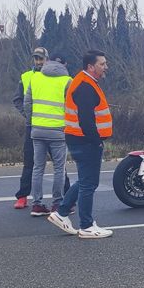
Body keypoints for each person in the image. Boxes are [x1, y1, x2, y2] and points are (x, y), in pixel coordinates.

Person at [48, 50, 113, 239]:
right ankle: (86, 226)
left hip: (79, 138)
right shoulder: (85, 85)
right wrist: (96, 141)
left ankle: (61, 214)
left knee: (85, 180)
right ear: (91, 67)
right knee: (89, 184)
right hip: (85, 140)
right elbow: (86, 120)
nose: (105, 67)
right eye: (102, 64)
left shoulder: (85, 82)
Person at [24, 53, 72, 217]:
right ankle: (57, 204)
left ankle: (36, 205)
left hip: (37, 130)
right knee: (59, 169)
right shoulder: (67, 81)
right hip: (58, 130)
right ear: (64, 66)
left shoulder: (35, 78)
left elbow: (27, 103)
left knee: (38, 168)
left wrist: (31, 122)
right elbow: (72, 106)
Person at [11, 47, 48, 209]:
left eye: (41, 58)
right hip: (32, 126)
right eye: (36, 59)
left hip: (52, 125)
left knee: (59, 164)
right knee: (29, 162)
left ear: (47, 59)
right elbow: (17, 100)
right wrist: (27, 115)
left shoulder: (55, 76)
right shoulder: (26, 77)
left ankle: (66, 196)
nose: (38, 62)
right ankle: (22, 196)